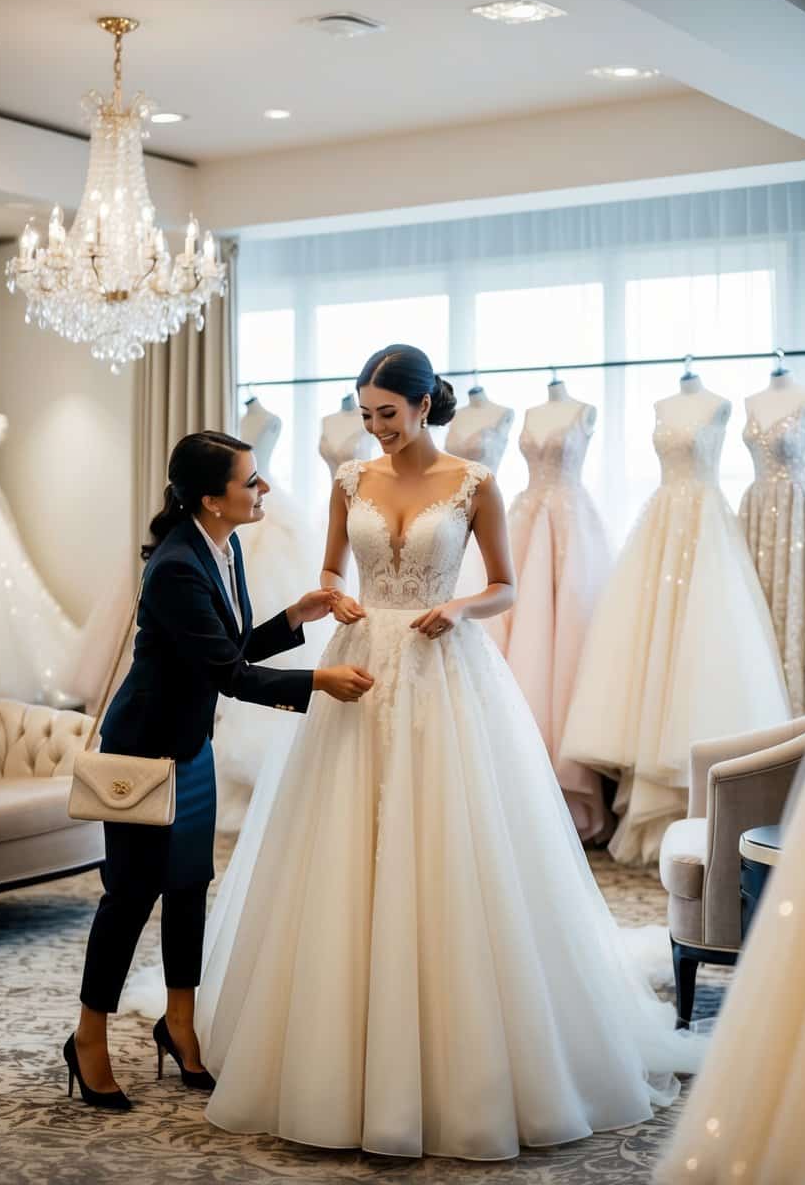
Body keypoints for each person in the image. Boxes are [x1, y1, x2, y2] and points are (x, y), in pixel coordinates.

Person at [191, 347, 703, 1160]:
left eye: (386, 415)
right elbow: (328, 564)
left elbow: (503, 583)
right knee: (343, 838)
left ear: (424, 406)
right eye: (364, 416)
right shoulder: (349, 481)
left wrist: (459, 610)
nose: (374, 430)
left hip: (442, 665)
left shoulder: (474, 482)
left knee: (449, 839)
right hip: (360, 658)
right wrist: (335, 589)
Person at [66, 430, 372, 1110]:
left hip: (189, 748)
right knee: (131, 895)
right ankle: (88, 1036)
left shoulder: (222, 544)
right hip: (142, 753)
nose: (263, 490)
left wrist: (294, 615)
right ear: (211, 499)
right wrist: (316, 679)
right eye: (250, 481)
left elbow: (222, 646)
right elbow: (229, 674)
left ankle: (179, 1022)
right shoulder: (175, 565)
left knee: (188, 888)